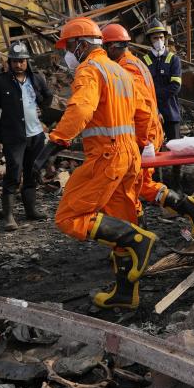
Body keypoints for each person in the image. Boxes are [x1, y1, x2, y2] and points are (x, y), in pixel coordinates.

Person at [46, 17, 155, 310]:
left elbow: (81, 107)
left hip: (106, 157)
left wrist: (56, 141)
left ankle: (139, 240)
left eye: (69, 47)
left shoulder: (90, 69)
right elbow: (144, 111)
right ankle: (125, 293)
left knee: (69, 216)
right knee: (122, 219)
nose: (67, 54)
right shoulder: (119, 71)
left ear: (80, 45)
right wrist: (144, 145)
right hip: (129, 154)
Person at [102, 23, 194, 237]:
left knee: (133, 184)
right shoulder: (139, 62)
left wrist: (142, 142)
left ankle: (139, 235)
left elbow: (143, 107)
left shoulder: (129, 67)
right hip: (147, 130)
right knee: (140, 184)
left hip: (147, 131)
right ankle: (183, 210)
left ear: (112, 47)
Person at [0, 41, 53, 230]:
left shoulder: (37, 78)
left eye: (21, 61)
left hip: (36, 135)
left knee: (32, 171)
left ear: (27, 62)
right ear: (9, 62)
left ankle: (31, 210)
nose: (18, 65)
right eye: (14, 61)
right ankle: (8, 217)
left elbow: (48, 97)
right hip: (13, 136)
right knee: (13, 174)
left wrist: (42, 105)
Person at [142, 18, 183, 183]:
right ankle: (154, 185)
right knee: (152, 150)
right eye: (154, 38)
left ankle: (176, 183)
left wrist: (153, 95)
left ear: (165, 38)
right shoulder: (144, 61)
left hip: (171, 112)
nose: (158, 41)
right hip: (151, 114)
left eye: (160, 37)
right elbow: (141, 88)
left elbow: (175, 86)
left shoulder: (174, 60)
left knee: (176, 149)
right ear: (150, 40)